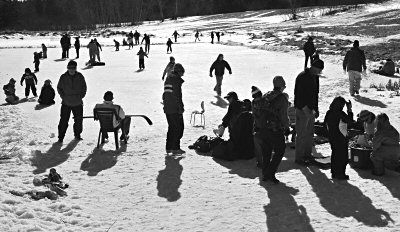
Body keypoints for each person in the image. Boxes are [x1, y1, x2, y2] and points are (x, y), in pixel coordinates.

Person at [252, 76, 289, 183]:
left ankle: (265, 174)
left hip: (262, 129)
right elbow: (283, 115)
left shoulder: (267, 95)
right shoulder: (282, 98)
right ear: (282, 86)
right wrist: (286, 127)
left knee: (266, 152)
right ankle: (270, 173)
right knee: (280, 150)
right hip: (275, 129)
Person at [294, 59, 324, 165]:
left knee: (310, 133)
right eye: (318, 70)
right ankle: (299, 157)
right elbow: (298, 95)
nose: (319, 73)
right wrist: (304, 108)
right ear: (313, 67)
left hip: (311, 109)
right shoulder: (302, 77)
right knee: (301, 134)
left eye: (320, 71)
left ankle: (307, 154)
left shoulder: (315, 77)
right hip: (302, 109)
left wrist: (316, 108)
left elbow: (316, 94)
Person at [57, 60, 87, 142]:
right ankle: (61, 137)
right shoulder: (63, 77)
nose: (71, 69)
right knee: (63, 120)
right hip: (66, 103)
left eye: (73, 68)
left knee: (78, 120)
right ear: (67, 68)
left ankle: (77, 135)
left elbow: (84, 87)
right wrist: (64, 97)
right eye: (70, 68)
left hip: (77, 103)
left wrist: (80, 96)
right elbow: (59, 88)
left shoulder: (80, 76)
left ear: (76, 68)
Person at [324, 96, 354, 180]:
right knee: (342, 157)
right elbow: (350, 122)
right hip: (341, 138)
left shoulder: (329, 112)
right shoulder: (340, 113)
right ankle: (340, 174)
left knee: (335, 155)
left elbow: (324, 124)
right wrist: (349, 110)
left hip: (332, 137)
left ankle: (334, 173)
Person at [163, 63, 186, 154]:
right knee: (179, 128)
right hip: (174, 108)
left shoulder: (168, 79)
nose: (182, 75)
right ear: (179, 72)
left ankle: (169, 148)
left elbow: (166, 94)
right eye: (182, 73)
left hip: (168, 107)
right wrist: (180, 108)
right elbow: (177, 96)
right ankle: (176, 148)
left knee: (172, 128)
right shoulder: (176, 80)